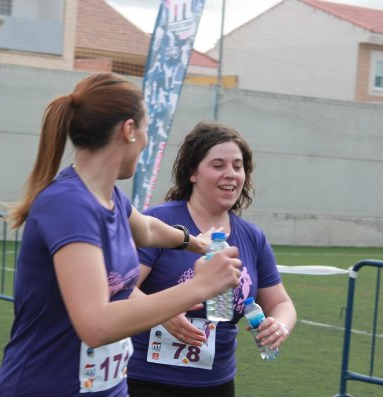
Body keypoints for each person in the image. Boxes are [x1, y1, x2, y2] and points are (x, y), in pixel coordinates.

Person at [0, 73, 243, 397]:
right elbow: (96, 325)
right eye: (146, 129)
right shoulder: (68, 205)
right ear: (128, 130)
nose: (148, 140)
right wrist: (201, 286)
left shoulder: (112, 197)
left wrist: (195, 243)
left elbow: (148, 229)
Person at [127, 122, 297, 397]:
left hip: (217, 384)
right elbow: (120, 287)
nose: (230, 174)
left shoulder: (252, 237)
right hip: (145, 380)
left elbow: (281, 302)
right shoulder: (161, 222)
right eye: (218, 165)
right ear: (193, 172)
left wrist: (279, 325)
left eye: (237, 166)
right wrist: (161, 312)